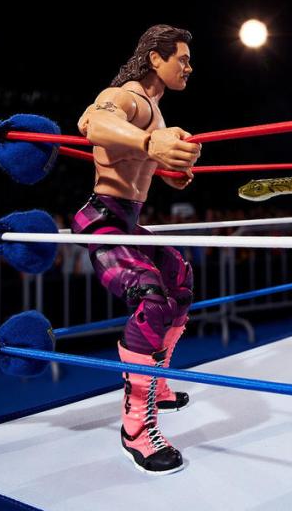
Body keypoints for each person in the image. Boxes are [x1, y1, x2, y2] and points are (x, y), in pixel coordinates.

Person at [72, 24, 202, 475]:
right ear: (155, 59)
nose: (188, 67)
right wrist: (150, 143)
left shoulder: (156, 112)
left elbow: (138, 163)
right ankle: (136, 429)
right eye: (182, 59)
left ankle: (158, 386)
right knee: (150, 297)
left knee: (179, 278)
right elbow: (91, 122)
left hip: (127, 219)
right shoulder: (127, 96)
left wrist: (172, 169)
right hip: (102, 219)